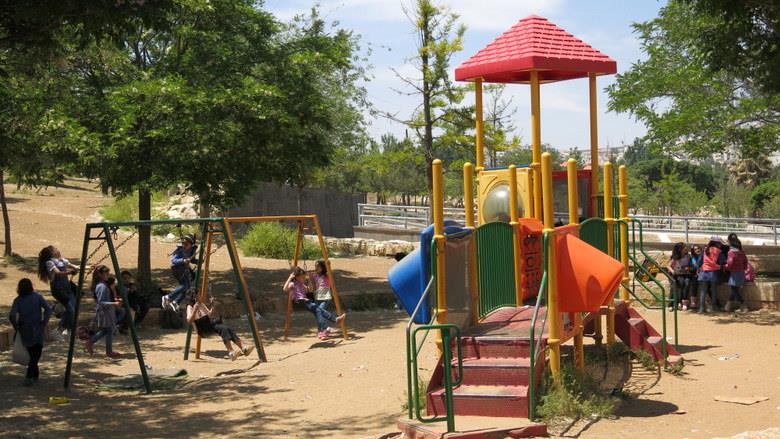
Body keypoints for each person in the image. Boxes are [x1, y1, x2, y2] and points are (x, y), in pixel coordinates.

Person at [9, 279, 53, 386]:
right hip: (37, 328)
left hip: (25, 330)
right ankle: (30, 376)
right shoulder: (37, 297)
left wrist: (16, 326)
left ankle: (34, 375)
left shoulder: (18, 300)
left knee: (32, 353)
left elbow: (12, 315)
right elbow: (48, 309)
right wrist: (44, 322)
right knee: (36, 353)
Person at [284, 266, 345, 340]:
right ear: (297, 277)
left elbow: (309, 290)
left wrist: (309, 281)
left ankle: (333, 321)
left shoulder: (301, 284)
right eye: (302, 277)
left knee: (319, 310)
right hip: (299, 301)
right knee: (318, 309)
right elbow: (285, 289)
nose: (304, 278)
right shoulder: (293, 283)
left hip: (306, 301)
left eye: (304, 277)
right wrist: (290, 278)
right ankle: (328, 325)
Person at [186, 296, 253, 360]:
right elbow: (189, 321)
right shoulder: (190, 307)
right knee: (223, 329)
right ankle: (231, 352)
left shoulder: (201, 304)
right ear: (194, 298)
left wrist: (212, 305)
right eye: (199, 295)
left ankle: (244, 348)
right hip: (202, 329)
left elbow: (209, 315)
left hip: (208, 325)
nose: (201, 296)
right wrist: (194, 310)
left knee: (228, 328)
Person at [37, 245, 80, 336]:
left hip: (67, 288)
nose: (58, 250)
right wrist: (70, 272)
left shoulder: (62, 260)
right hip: (58, 290)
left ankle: (67, 327)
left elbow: (76, 267)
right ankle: (61, 328)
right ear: (51, 253)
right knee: (71, 310)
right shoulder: (49, 263)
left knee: (74, 309)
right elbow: (58, 273)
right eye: (55, 249)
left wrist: (89, 267)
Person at [85, 265, 122, 358]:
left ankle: (94, 343)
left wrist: (114, 300)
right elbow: (101, 302)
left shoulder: (104, 285)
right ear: (100, 275)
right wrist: (114, 303)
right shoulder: (101, 286)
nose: (108, 275)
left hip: (108, 311)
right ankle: (95, 344)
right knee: (108, 330)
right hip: (105, 312)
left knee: (108, 330)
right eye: (106, 273)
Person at [162, 234, 198, 312]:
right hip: (177, 269)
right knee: (185, 285)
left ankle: (176, 302)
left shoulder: (192, 250)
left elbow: (192, 260)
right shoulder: (180, 250)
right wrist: (183, 260)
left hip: (184, 269)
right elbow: (173, 260)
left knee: (187, 287)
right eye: (183, 244)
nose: (184, 246)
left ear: (191, 245)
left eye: (186, 244)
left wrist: (198, 261)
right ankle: (168, 297)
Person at [698, 236, 726, 313]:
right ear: (717, 244)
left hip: (704, 272)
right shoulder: (719, 251)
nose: (721, 245)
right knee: (714, 290)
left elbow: (700, 261)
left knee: (703, 291)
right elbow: (722, 261)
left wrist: (699, 268)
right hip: (713, 272)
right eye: (720, 243)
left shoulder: (705, 250)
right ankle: (714, 307)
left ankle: (701, 308)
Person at [725, 233, 748, 313]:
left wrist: (726, 267)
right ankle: (728, 306)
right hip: (741, 272)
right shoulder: (741, 252)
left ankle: (743, 306)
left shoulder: (731, 252)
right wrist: (743, 268)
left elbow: (730, 263)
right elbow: (745, 262)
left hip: (734, 273)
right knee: (734, 289)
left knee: (734, 290)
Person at [667, 242, 693, 310]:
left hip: (684, 274)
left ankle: (682, 302)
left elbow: (692, 265)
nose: (686, 248)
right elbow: (668, 266)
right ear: (680, 249)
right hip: (675, 274)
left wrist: (688, 268)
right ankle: (672, 303)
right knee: (676, 284)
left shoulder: (688, 256)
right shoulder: (675, 257)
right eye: (684, 247)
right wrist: (673, 271)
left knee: (686, 283)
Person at [689, 244, 703, 310]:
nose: (697, 250)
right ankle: (693, 301)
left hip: (703, 273)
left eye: (698, 248)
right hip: (695, 274)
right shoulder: (693, 258)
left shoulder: (704, 256)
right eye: (695, 249)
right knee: (694, 282)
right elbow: (695, 266)